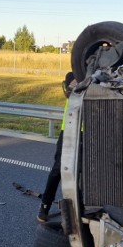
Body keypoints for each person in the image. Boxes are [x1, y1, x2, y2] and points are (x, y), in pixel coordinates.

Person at [38, 71, 76, 222]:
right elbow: (69, 91)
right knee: (57, 170)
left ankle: (80, 210)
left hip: (88, 133)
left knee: (83, 174)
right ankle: (45, 205)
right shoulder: (72, 76)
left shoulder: (94, 77)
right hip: (68, 131)